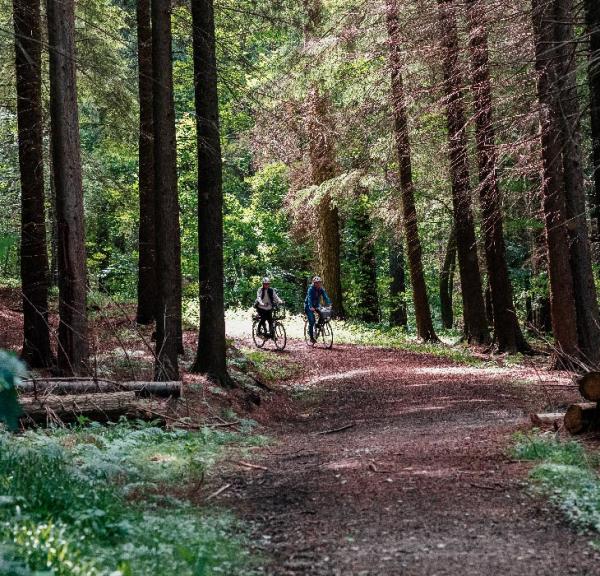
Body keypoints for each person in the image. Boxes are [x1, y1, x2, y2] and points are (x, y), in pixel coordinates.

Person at [304, 276, 332, 343]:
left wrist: (329, 304)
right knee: (312, 321)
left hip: (316, 305)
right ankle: (311, 337)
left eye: (319, 283)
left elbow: (325, 296)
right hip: (308, 306)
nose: (318, 284)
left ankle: (318, 325)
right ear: (314, 283)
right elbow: (309, 299)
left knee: (323, 314)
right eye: (317, 283)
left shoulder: (321, 289)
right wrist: (310, 307)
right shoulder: (310, 289)